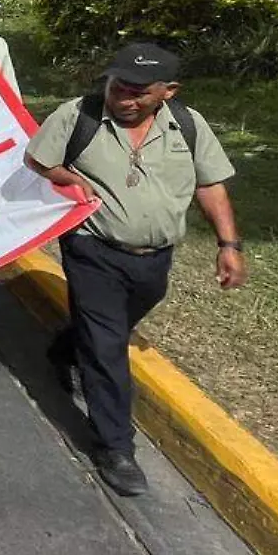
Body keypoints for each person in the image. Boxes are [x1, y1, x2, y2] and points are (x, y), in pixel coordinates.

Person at [23, 43, 245, 498]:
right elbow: (37, 159)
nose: (123, 97)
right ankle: (116, 447)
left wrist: (228, 244)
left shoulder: (188, 125)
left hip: (155, 258)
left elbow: (211, 184)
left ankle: (65, 348)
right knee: (107, 346)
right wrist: (71, 179)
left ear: (168, 91)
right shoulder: (78, 115)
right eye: (117, 86)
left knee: (109, 324)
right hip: (93, 248)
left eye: (137, 92)